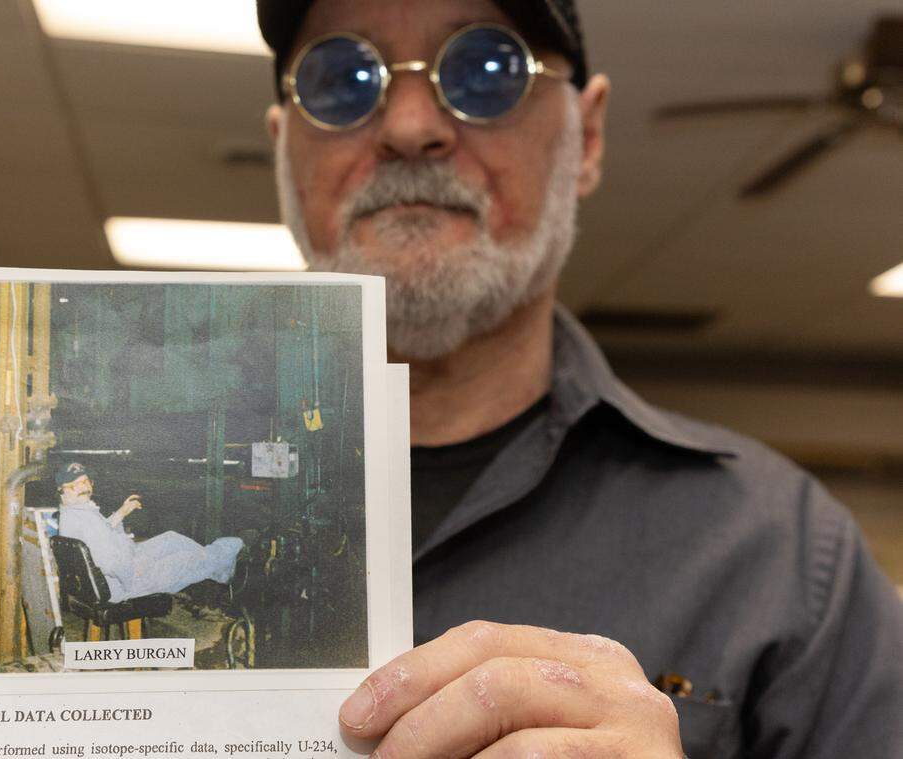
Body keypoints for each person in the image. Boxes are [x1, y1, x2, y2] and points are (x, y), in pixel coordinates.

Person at [257, 0, 903, 756]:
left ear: (588, 137)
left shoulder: (784, 555)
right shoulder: (106, 487)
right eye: (343, 79)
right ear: (282, 147)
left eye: (485, 71)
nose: (408, 127)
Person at [54, 462, 244, 600]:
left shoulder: (75, 512)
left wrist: (121, 512)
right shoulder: (81, 516)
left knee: (172, 538)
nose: (84, 488)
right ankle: (233, 560)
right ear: (61, 491)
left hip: (125, 564)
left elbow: (100, 535)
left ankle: (222, 564)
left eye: (86, 481)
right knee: (187, 559)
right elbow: (110, 563)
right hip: (124, 582)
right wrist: (137, 570)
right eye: (74, 485)